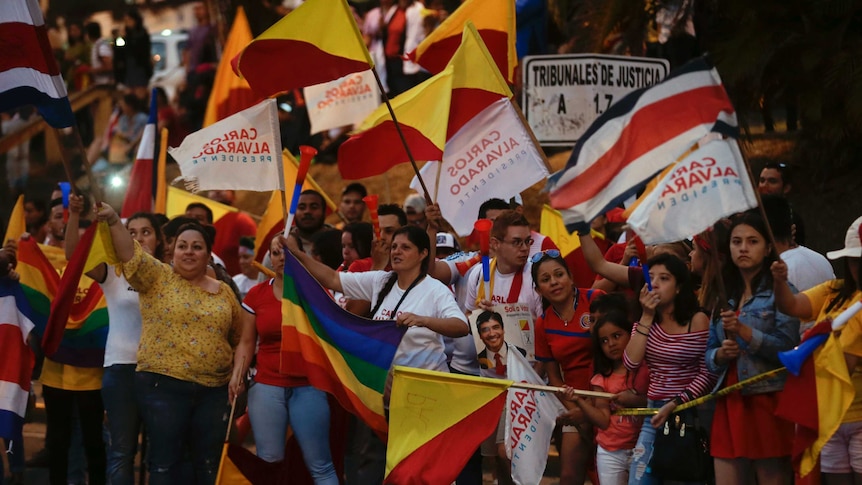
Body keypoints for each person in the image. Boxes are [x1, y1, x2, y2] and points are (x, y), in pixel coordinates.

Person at [286, 224, 468, 483]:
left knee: (418, 471)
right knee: (375, 469)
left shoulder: (434, 289)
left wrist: (423, 320)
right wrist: (297, 254)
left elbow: (461, 326)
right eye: (394, 246)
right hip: (382, 396)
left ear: (423, 253)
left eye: (405, 247)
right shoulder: (380, 280)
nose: (396, 252)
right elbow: (332, 279)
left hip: (424, 400)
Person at [96, 202, 242, 484]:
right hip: (163, 389)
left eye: (197, 247)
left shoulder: (224, 291)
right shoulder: (157, 276)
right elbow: (130, 253)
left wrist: (237, 373)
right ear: (172, 251)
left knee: (208, 464)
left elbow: (239, 336)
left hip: (213, 393)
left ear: (208, 254)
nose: (189, 251)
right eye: (182, 246)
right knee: (165, 463)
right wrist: (114, 220)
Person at [66, 196, 164, 485]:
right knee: (122, 451)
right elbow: (75, 256)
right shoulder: (112, 273)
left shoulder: (170, 275)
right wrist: (74, 215)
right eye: (131, 231)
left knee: (161, 453)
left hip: (162, 371)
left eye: (146, 231)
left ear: (160, 239)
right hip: (120, 369)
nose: (138, 237)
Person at [229, 237, 338, 484]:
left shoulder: (316, 293)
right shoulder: (257, 295)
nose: (281, 258)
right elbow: (246, 342)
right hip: (267, 385)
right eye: (276, 253)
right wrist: (238, 375)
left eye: (288, 252)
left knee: (320, 464)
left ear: (299, 254)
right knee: (268, 461)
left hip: (308, 385)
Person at [704, 210, 799, 485]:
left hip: (767, 398)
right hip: (729, 396)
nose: (743, 248)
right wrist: (721, 354)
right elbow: (709, 352)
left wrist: (745, 332)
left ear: (768, 247)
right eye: (736, 242)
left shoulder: (781, 289)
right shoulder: (724, 293)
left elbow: (788, 348)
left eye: (752, 241)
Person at [772, 215, 862, 485]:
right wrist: (779, 281)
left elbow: (845, 364)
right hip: (828, 417)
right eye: (857, 260)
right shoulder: (834, 291)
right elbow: (792, 306)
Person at [623, 253, 717, 485]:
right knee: (639, 479)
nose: (654, 283)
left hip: (690, 412)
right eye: (651, 277)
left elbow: (708, 373)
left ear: (678, 288)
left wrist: (676, 402)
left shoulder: (697, 320)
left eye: (664, 278)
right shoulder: (645, 322)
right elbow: (630, 363)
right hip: (654, 412)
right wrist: (646, 316)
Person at [531, 249, 604, 485]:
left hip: (608, 399)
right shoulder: (543, 323)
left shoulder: (595, 299)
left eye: (559, 274)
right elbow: (553, 377)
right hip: (574, 403)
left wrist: (592, 410)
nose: (554, 282)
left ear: (571, 276)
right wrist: (577, 412)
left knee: (607, 476)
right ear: (538, 289)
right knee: (569, 477)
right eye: (545, 279)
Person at [561, 311, 648, 485]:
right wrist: (577, 399)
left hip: (642, 448)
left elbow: (656, 402)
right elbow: (602, 421)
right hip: (610, 452)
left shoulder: (646, 370)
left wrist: (635, 400)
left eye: (617, 336)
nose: (612, 344)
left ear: (631, 334)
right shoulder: (601, 379)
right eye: (604, 341)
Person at [475, 311, 526, 485]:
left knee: (506, 452)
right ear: (480, 336)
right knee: (494, 458)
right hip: (489, 400)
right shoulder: (478, 357)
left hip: (513, 397)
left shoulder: (521, 353)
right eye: (485, 330)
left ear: (504, 330)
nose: (491, 333)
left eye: (496, 327)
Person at [208, 190, 257, 276]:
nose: (217, 191)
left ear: (234, 195)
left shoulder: (243, 222)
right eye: (212, 188)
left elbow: (252, 258)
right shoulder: (203, 221)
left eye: (223, 187)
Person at [758, 161, 806, 245]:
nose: (764, 185)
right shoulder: (749, 214)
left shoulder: (792, 219)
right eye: (762, 180)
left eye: (772, 181)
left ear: (786, 188)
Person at [120, 8, 152, 99]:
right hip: (130, 68)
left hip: (139, 67)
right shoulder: (127, 35)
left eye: (129, 20)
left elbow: (142, 52)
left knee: (140, 94)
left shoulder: (141, 34)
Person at [293, 190, 329, 256]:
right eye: (301, 207)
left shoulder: (339, 242)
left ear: (324, 212)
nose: (307, 211)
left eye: (314, 207)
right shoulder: (280, 246)